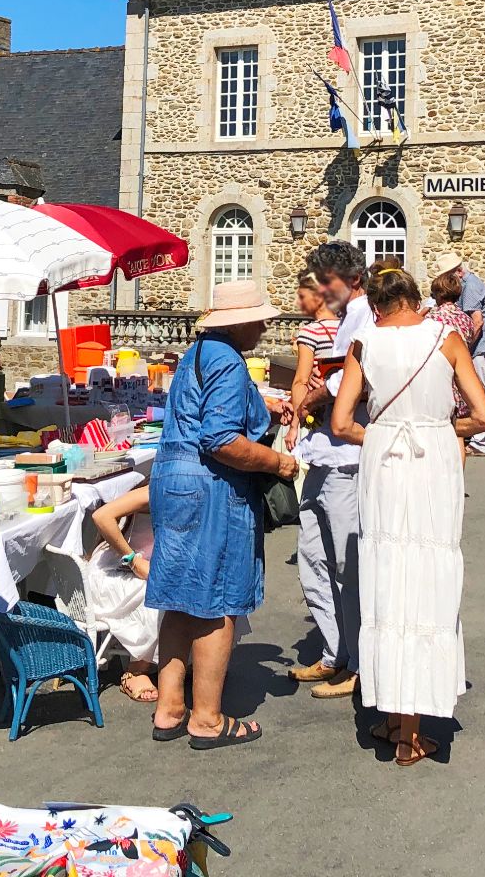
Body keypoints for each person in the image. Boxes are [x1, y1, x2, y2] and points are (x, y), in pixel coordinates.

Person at [329, 266, 485, 767]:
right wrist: (439, 428)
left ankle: (397, 716)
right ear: (415, 299)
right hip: (433, 461)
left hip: (384, 464)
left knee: (387, 578)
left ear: (375, 306)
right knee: (427, 579)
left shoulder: (364, 343)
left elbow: (340, 422)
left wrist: (379, 432)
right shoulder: (446, 338)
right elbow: (483, 417)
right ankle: (411, 733)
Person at [147, 281, 296, 750]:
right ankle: (207, 718)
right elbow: (222, 441)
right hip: (211, 489)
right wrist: (278, 462)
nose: (264, 325)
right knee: (217, 600)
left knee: (178, 598)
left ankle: (170, 707)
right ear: (240, 323)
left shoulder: (196, 354)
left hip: (172, 479)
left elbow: (204, 417)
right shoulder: (230, 364)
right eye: (259, 318)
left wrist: (261, 406)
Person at [289, 242, 370, 700]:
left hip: (346, 457)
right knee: (314, 558)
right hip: (324, 452)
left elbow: (354, 378)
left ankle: (357, 661)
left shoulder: (364, 316)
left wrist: (315, 397)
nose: (321, 289)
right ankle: (334, 649)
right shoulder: (347, 319)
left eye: (328, 280)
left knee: (346, 562)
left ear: (351, 280)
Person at [81, 485, 163, 704]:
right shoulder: (155, 489)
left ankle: (184, 658)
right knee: (157, 593)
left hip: (155, 565)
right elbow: (102, 516)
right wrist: (134, 560)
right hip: (115, 566)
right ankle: (137, 668)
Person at [437, 253, 485, 456]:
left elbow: (477, 321)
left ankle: (481, 440)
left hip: (482, 346)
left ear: (457, 272)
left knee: (476, 392)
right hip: (484, 346)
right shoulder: (472, 283)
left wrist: (464, 347)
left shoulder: (469, 286)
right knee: (481, 391)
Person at [427, 268, 480, 463]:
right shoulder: (465, 319)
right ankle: (458, 480)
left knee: (437, 432)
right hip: (460, 380)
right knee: (458, 433)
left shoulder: (432, 319)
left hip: (439, 379)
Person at [284, 273, 340, 452]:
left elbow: (301, 381)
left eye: (302, 297)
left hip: (320, 415)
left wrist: (294, 425)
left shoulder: (310, 332)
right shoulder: (347, 327)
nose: (297, 303)